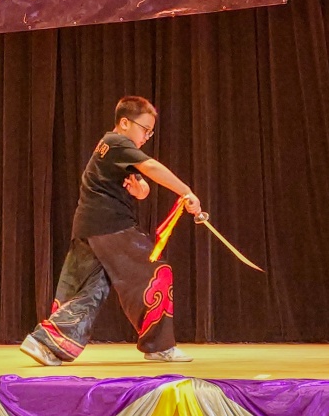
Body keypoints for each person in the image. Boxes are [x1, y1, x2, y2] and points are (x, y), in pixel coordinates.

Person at [20, 96, 201, 365]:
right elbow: (151, 167)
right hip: (110, 226)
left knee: (91, 288)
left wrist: (139, 189)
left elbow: (142, 185)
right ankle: (159, 345)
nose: (147, 136)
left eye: (150, 132)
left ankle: (44, 342)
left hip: (89, 226)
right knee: (157, 272)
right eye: (145, 129)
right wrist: (186, 192)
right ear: (125, 123)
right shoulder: (117, 143)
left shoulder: (112, 148)